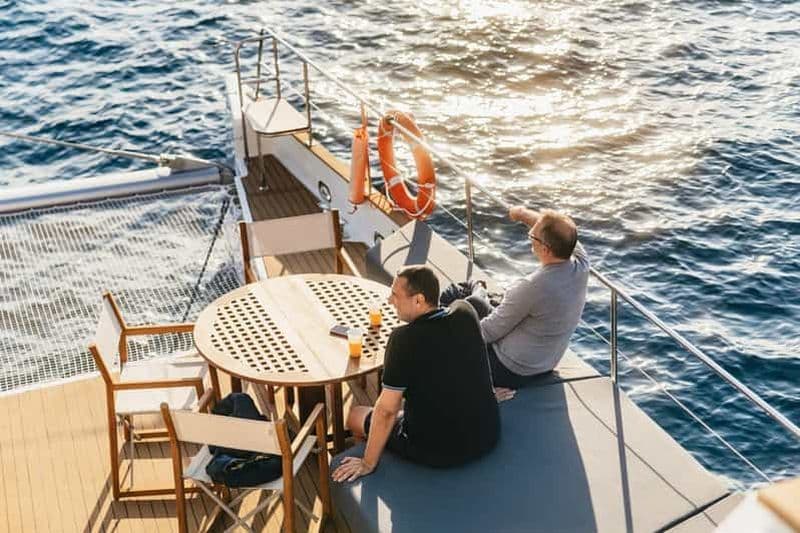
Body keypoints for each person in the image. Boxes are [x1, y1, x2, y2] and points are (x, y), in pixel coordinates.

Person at [332, 265, 499, 483]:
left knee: (355, 415)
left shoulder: (403, 340)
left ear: (418, 300)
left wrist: (367, 463)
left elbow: (387, 412)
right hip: (487, 434)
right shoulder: (466, 313)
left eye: (395, 295)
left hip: (439, 451)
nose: (391, 301)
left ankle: (366, 468)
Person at [466, 206, 589, 389]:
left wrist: (452, 338)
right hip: (545, 363)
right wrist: (522, 214)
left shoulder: (533, 286)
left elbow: (489, 332)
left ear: (546, 249)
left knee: (453, 342)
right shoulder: (581, 263)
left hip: (510, 369)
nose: (530, 234)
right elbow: (554, 228)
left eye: (533, 236)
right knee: (476, 303)